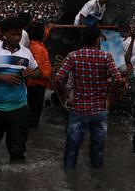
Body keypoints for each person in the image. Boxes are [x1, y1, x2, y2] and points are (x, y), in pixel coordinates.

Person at [55, 25, 124, 170]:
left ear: (82, 39)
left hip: (78, 109)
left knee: (72, 149)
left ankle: (69, 179)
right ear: (98, 39)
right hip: (99, 109)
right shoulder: (106, 57)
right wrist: (109, 99)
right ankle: (96, 179)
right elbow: (118, 79)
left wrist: (65, 96)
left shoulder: (73, 56)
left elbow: (58, 79)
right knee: (97, 150)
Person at [0, 16, 39, 161]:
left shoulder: (26, 53)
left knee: (17, 152)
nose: (17, 37)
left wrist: (31, 73)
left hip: (19, 109)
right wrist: (2, 78)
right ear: (4, 33)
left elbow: (38, 70)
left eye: (19, 34)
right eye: (13, 34)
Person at [26, 23, 53, 128]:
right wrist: (46, 75)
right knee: (35, 109)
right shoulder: (38, 48)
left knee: (34, 108)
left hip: (37, 82)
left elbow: (45, 34)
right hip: (36, 83)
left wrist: (49, 29)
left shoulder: (35, 45)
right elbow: (37, 67)